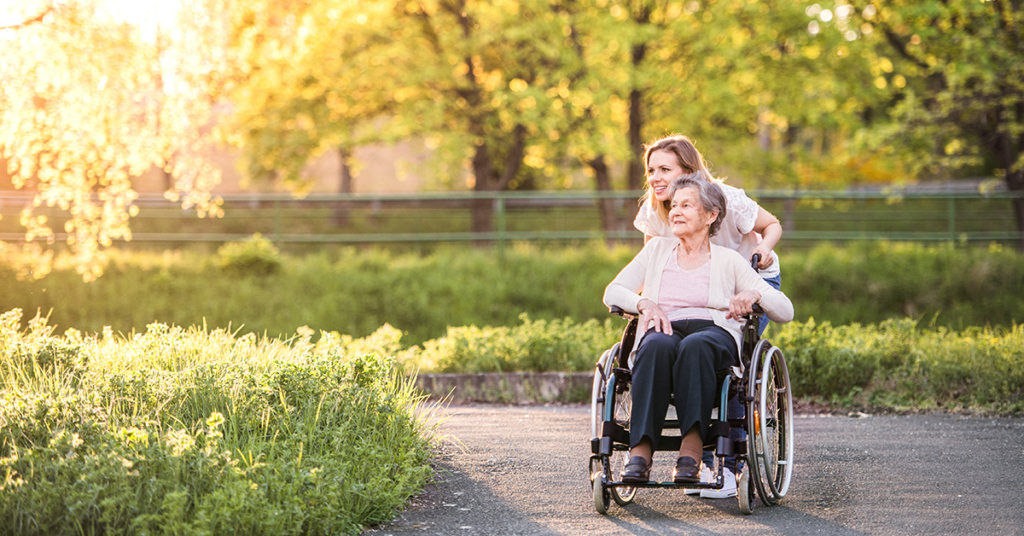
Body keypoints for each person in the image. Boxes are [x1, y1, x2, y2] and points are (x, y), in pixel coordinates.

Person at [603, 174, 793, 487]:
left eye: (686, 205)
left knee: (697, 346)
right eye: (673, 205)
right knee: (654, 346)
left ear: (710, 215)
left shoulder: (729, 260)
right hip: (664, 326)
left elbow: (786, 310)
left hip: (713, 333)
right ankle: (640, 450)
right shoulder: (656, 251)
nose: (675, 211)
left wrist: (756, 294)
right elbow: (613, 291)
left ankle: (690, 450)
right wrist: (644, 304)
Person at [635, 135, 783, 497]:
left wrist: (762, 249)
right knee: (665, 345)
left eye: (665, 169)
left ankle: (728, 466)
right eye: (651, 170)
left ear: (689, 170)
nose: (655, 177)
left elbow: (772, 224)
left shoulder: (725, 198)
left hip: (749, 277)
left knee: (729, 368)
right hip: (694, 289)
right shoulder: (656, 208)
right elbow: (654, 266)